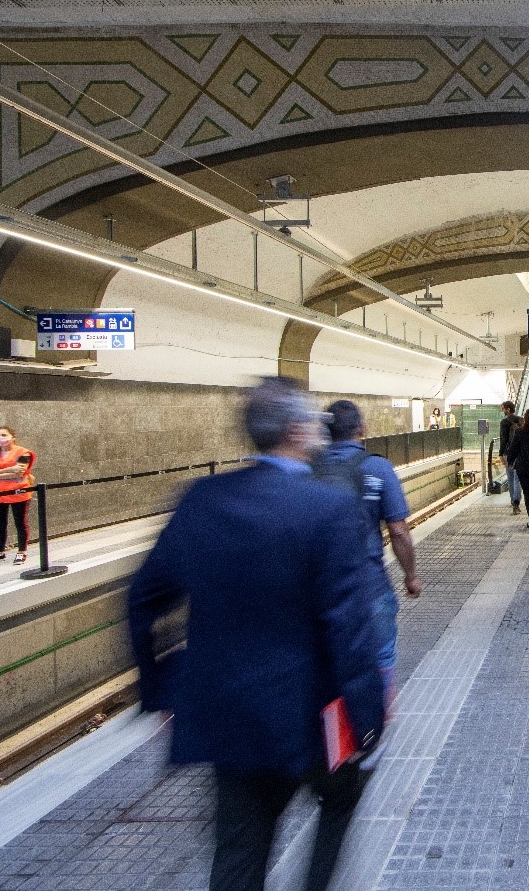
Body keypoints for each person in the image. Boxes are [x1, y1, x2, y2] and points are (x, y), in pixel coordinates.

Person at [128, 378, 385, 891]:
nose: (319, 431)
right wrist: (368, 721)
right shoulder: (328, 509)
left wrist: (159, 689)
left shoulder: (201, 500)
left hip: (230, 719)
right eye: (312, 422)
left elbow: (141, 600)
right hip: (308, 717)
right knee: (341, 797)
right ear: (295, 431)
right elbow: (349, 628)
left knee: (240, 853)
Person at [316, 399, 423, 708]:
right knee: (382, 653)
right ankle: (377, 718)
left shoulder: (310, 469)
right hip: (369, 585)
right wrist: (411, 576)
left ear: (327, 432)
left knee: (327, 660)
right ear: (361, 429)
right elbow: (398, 531)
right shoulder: (378, 467)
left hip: (321, 590)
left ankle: (336, 726)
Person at [0, 426, 36, 565]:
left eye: (4, 435)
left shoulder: (23, 452)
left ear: (13, 437)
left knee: (20, 523)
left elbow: (19, 473)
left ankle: (22, 552)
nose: (0, 438)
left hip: (18, 491)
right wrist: (10, 469)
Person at [498, 400, 523, 515]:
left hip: (508, 453)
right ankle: (517, 502)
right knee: (517, 478)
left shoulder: (504, 422)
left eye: (503, 409)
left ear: (508, 409)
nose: (502, 411)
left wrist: (501, 454)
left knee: (511, 477)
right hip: (520, 453)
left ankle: (513, 502)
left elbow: (503, 440)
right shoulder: (521, 420)